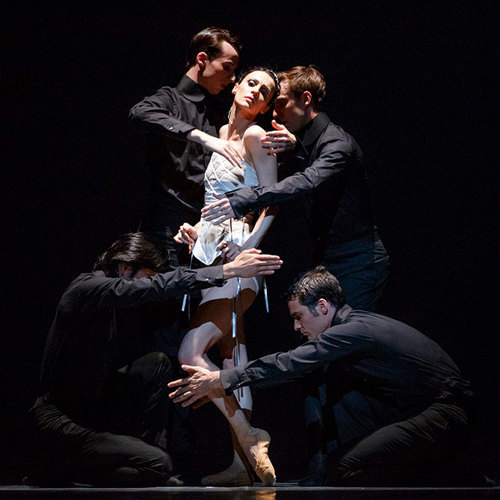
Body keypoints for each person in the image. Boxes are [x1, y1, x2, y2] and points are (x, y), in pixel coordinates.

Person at [169, 267, 479, 486]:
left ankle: (455, 471)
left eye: (298, 317)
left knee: (345, 469)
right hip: (432, 408)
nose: (296, 327)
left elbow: (290, 363)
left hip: (448, 412)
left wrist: (221, 378)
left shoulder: (351, 331)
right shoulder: (353, 328)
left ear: (322, 306)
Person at [28, 232, 282, 487]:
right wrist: (227, 270)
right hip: (60, 421)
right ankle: (60, 468)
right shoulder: (87, 289)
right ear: (125, 268)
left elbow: (166, 281)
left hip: (93, 410)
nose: (147, 285)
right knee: (158, 464)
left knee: (157, 364)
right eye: (146, 276)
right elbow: (157, 286)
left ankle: (147, 461)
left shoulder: (110, 302)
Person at [201, 65, 389, 312]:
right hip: (325, 258)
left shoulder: (337, 143)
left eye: (280, 103)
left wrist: (244, 199)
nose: (275, 115)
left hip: (358, 260)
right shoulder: (296, 142)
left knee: (344, 334)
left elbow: (308, 181)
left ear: (306, 99)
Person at [173, 68, 280, 487]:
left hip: (237, 260)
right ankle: (241, 466)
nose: (255, 91)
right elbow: (214, 204)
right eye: (251, 82)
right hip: (210, 258)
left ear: (267, 105)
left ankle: (249, 435)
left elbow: (273, 201)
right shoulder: (221, 134)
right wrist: (196, 230)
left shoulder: (255, 136)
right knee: (236, 359)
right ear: (235, 87)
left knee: (190, 351)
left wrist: (248, 244)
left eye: (265, 91)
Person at [129, 27, 242, 267]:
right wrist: (200, 136)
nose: (232, 77)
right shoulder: (169, 99)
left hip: (207, 226)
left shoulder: (220, 112)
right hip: (166, 226)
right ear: (202, 59)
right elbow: (139, 113)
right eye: (227, 67)